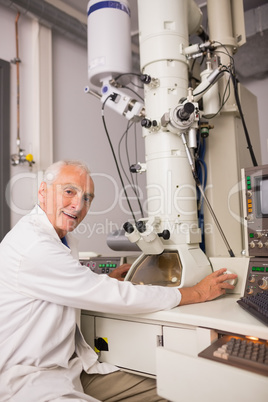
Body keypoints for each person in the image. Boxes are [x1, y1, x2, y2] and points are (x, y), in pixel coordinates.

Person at [0, 160, 237, 402]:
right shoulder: (34, 244)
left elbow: (70, 285)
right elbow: (110, 294)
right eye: (69, 191)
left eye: (87, 198)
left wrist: (103, 279)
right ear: (43, 191)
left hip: (69, 370)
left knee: (174, 389)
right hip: (29, 381)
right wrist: (194, 293)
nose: (78, 205)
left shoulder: (60, 240)